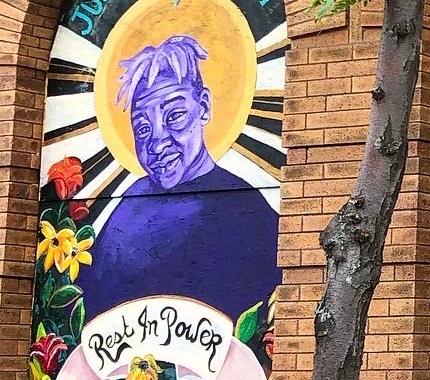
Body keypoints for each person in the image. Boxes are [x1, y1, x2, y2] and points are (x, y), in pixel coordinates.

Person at [81, 35, 281, 322]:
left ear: (204, 106)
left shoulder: (245, 207)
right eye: (143, 128)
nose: (158, 142)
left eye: (174, 116)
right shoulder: (129, 204)